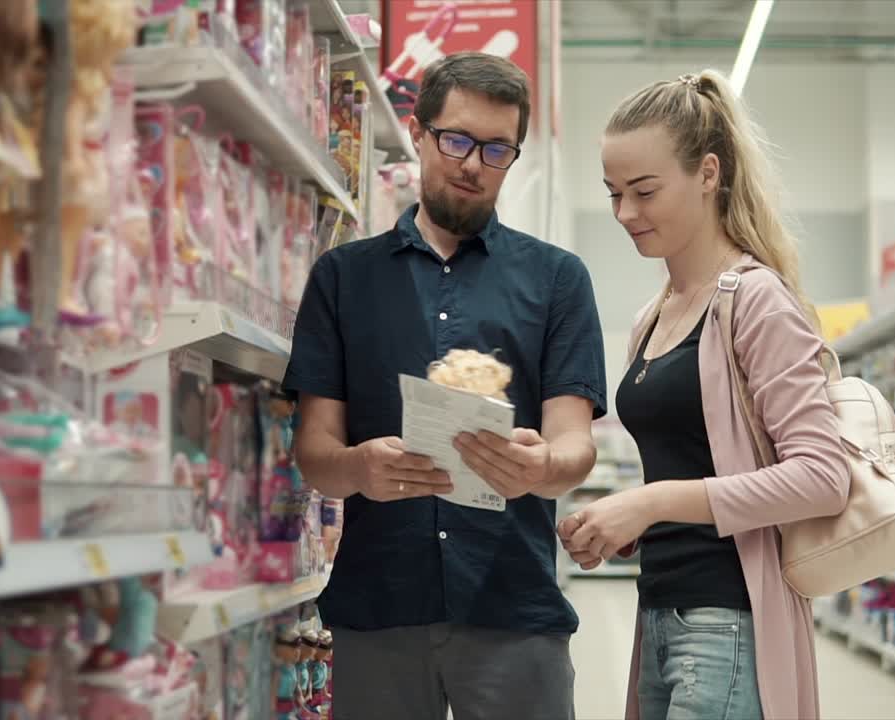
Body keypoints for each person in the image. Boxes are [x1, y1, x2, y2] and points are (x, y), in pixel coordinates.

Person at [283, 52, 607, 720]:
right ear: (417, 131)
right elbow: (315, 453)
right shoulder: (342, 279)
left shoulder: (557, 280)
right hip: (379, 610)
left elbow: (575, 446)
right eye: (456, 140)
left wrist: (541, 466)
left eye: (496, 149)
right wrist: (358, 468)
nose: (472, 165)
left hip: (514, 607)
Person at [557, 71, 851, 720]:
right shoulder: (652, 316)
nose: (625, 214)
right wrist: (621, 523)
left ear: (709, 174)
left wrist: (651, 502)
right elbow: (690, 463)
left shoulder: (756, 301)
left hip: (730, 623)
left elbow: (824, 476)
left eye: (644, 191)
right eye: (612, 194)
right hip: (660, 611)